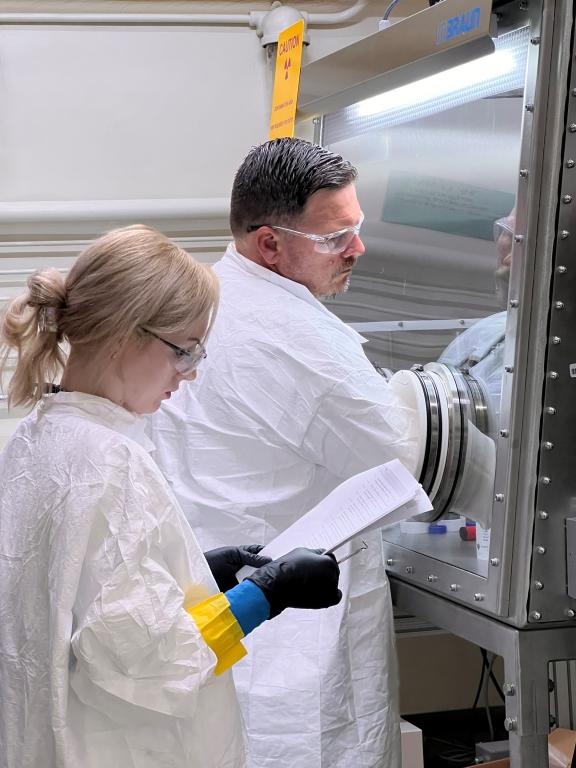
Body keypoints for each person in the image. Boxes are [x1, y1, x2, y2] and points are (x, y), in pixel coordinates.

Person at [0, 224, 342, 768]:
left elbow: (76, 590)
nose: (191, 374)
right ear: (123, 335)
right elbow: (148, 657)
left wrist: (197, 572)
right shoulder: (111, 461)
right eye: (184, 351)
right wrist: (267, 596)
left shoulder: (37, 437)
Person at [148, 139, 421, 768]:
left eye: (357, 227)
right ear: (269, 244)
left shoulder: (203, 298)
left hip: (220, 619)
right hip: (290, 638)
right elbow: (404, 461)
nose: (357, 249)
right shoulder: (302, 339)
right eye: (334, 237)